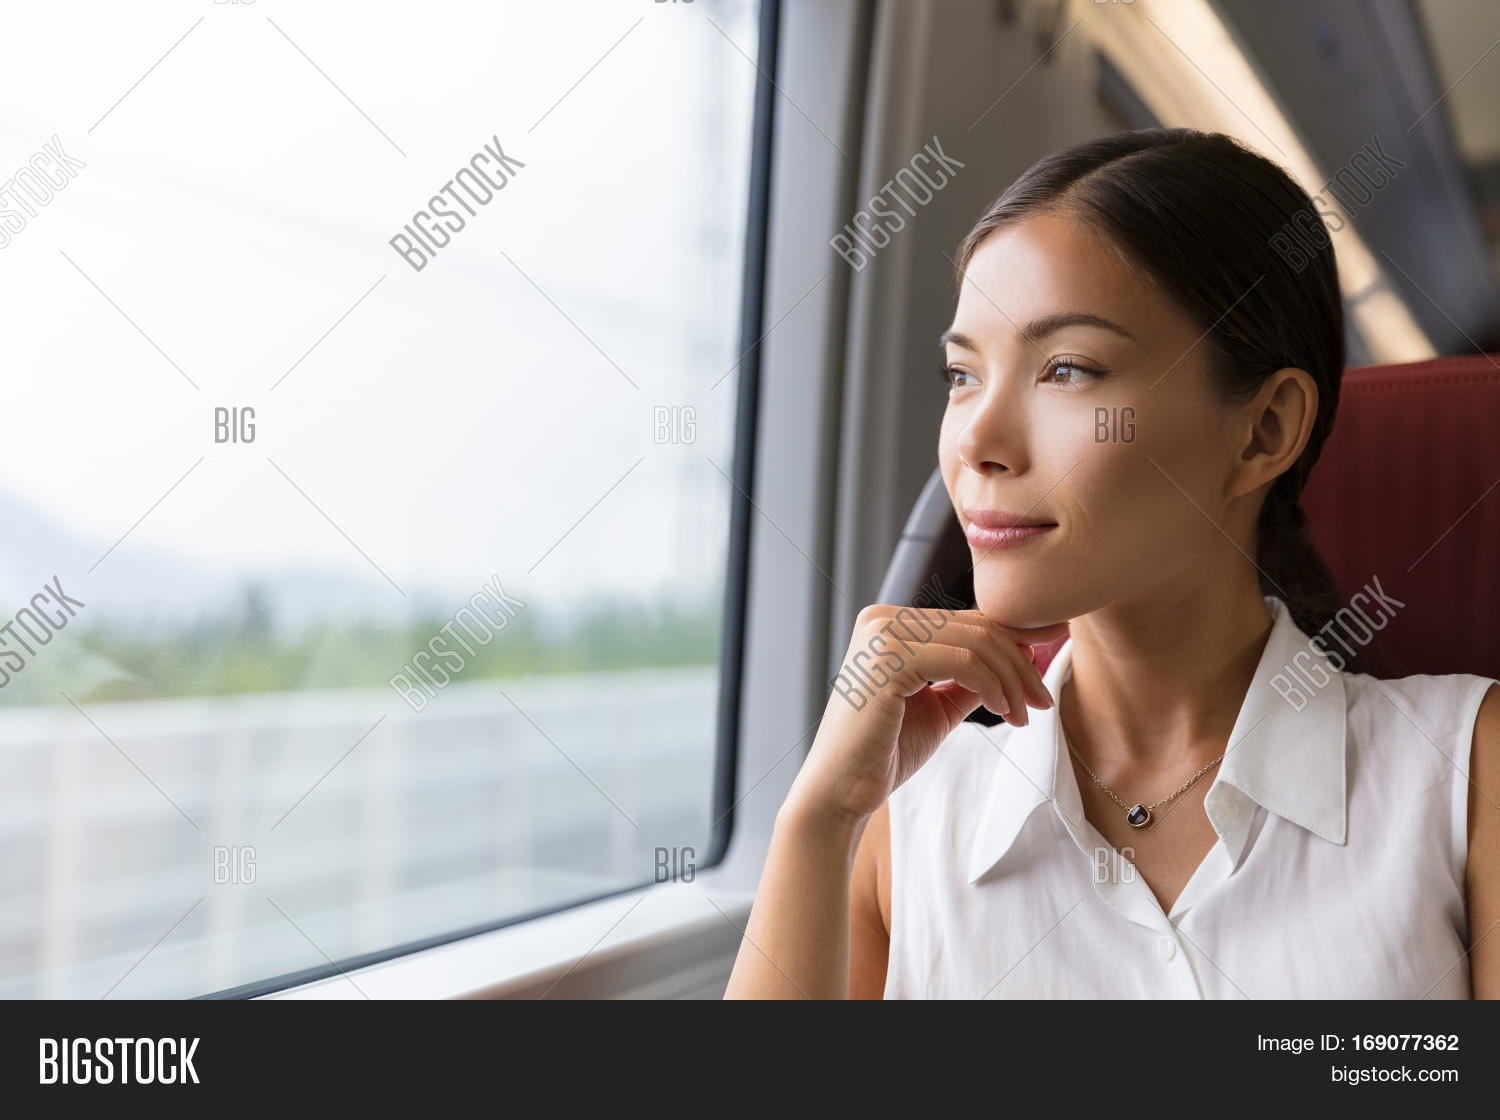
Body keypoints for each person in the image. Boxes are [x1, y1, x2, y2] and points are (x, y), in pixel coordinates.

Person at [723, 128, 1500, 999]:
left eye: (1067, 370)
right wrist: (818, 817)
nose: (975, 441)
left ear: (1264, 430)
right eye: (961, 375)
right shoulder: (897, 822)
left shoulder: (1466, 771)